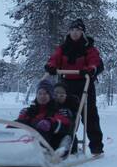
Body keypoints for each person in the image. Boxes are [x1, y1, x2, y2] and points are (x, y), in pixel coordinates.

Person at [43, 18, 105, 156]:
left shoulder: (88, 47)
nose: (75, 33)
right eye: (73, 30)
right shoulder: (63, 47)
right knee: (65, 114)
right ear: (69, 32)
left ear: (82, 33)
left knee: (89, 116)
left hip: (85, 84)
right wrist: (51, 67)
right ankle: (65, 144)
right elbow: (54, 58)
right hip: (66, 85)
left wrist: (91, 69)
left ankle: (96, 148)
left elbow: (95, 61)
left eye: (78, 30)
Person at [16, 80, 77, 157]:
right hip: (30, 143)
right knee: (19, 124)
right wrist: (16, 123)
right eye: (40, 93)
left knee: (47, 127)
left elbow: (66, 124)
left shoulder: (58, 109)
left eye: (45, 93)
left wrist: (50, 122)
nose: (42, 96)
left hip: (52, 143)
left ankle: (59, 151)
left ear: (51, 95)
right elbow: (23, 122)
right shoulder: (31, 110)